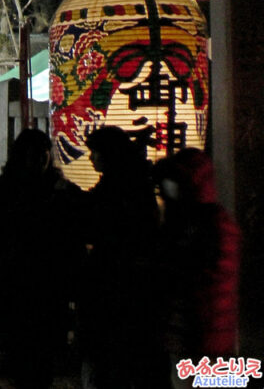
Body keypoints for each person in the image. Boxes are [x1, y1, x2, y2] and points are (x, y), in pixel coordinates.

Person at [0, 129, 84, 387]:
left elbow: (79, 225)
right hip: (18, 277)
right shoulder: (5, 189)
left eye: (43, 154)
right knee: (22, 350)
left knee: (43, 353)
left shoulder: (61, 189)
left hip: (49, 280)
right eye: (32, 155)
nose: (38, 160)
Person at [80, 126, 163, 389]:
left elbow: (96, 223)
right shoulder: (134, 182)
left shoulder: (120, 188)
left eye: (95, 152)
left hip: (118, 286)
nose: (91, 159)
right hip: (127, 286)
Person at [154, 149, 239, 385]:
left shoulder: (214, 225)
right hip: (185, 336)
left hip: (206, 340)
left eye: (175, 181)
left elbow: (212, 280)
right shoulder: (183, 221)